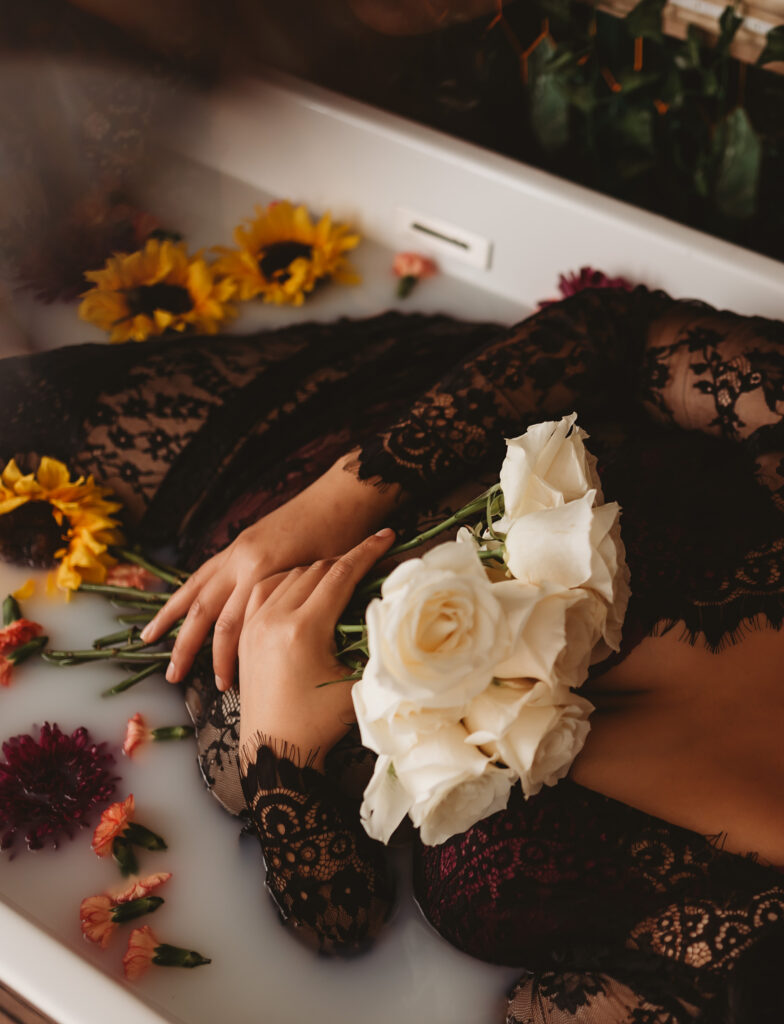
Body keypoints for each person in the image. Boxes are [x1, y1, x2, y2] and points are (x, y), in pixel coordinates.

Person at [2, 285, 784, 1020]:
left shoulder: (749, 945)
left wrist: (284, 764)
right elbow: (616, 333)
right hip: (336, 432)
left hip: (211, 706)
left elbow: (346, 937)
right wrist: (337, 500)